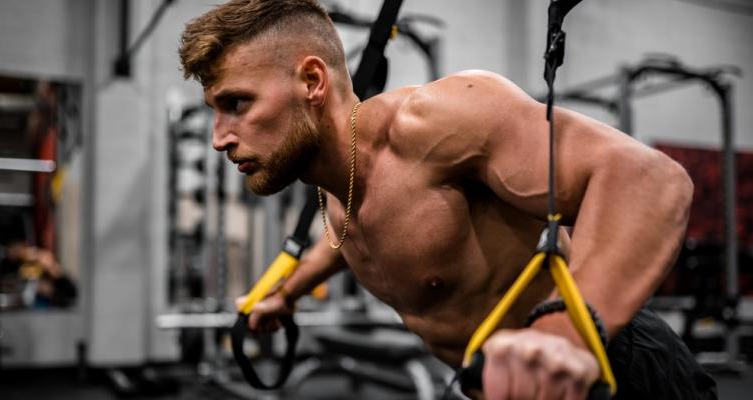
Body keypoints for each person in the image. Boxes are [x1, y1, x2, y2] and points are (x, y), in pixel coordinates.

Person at [179, 1, 716, 398]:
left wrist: (565, 336)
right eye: (215, 110)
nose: (219, 136)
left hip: (606, 363)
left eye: (237, 104)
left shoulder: (441, 122)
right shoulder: (333, 179)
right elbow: (352, 233)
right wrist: (287, 291)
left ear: (312, 81)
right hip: (492, 383)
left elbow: (650, 180)